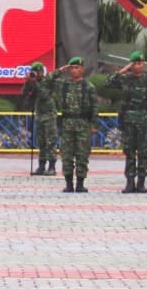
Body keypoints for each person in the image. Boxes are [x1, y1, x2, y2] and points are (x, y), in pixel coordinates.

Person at [103, 51, 147, 193]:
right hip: (128, 119)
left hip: (144, 118)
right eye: (135, 63)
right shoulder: (125, 79)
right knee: (130, 151)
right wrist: (123, 70)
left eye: (140, 63)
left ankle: (141, 182)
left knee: (143, 152)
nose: (138, 66)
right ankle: (130, 181)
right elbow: (108, 83)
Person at [43, 56, 97, 193]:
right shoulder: (64, 85)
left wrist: (94, 125)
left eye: (77, 67)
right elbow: (46, 80)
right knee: (66, 155)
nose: (74, 70)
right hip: (67, 124)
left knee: (82, 156)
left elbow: (94, 107)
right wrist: (61, 70)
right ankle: (68, 184)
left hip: (83, 125)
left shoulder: (88, 87)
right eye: (72, 67)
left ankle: (80, 183)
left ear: (82, 69)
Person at [21, 62, 57, 176]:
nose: (37, 74)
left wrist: (34, 83)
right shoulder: (33, 83)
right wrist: (27, 83)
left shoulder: (47, 82)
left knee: (50, 141)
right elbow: (24, 94)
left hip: (49, 115)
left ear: (42, 72)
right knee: (41, 142)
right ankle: (41, 165)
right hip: (39, 115)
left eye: (38, 72)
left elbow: (43, 95)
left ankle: (52, 166)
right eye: (35, 72)